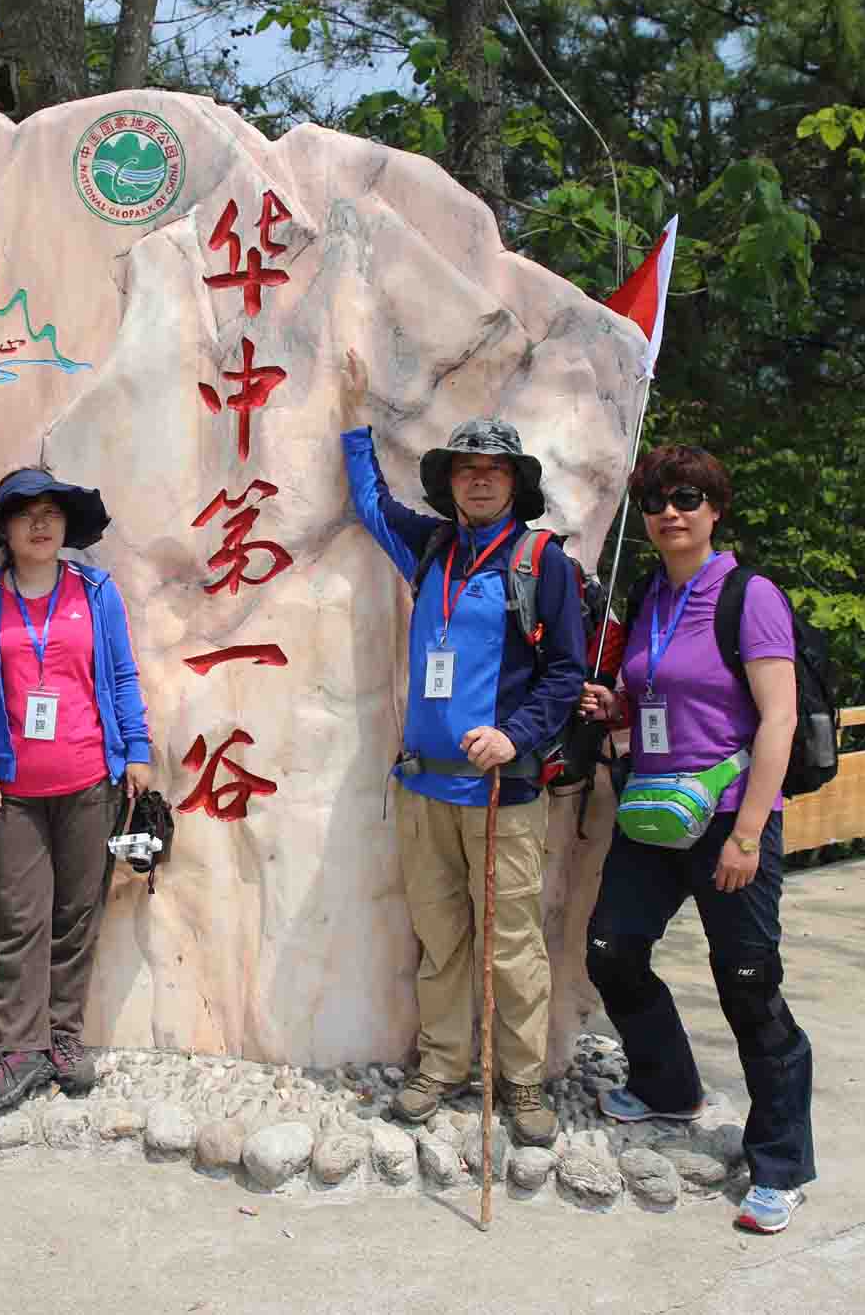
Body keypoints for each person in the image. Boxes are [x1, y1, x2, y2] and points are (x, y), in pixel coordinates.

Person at [338, 351, 584, 1146]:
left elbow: (567, 671)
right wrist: (351, 418)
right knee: (441, 941)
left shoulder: (542, 562)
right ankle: (442, 1065)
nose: (480, 480)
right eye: (467, 469)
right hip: (425, 790)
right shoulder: (433, 549)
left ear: (516, 484)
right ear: (450, 482)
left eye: (495, 469)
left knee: (510, 945)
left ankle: (521, 1081)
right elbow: (371, 502)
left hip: (500, 795)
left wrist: (514, 734)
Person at [576, 444, 814, 1234]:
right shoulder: (649, 593)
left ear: (715, 509)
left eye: (686, 497)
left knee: (746, 979)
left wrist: (748, 831)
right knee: (612, 948)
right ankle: (668, 1082)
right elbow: (655, 697)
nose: (669, 511)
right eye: (655, 500)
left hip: (726, 820)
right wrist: (613, 706)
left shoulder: (749, 595)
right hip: (652, 813)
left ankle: (779, 1163)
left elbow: (776, 717)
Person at [0, 467, 153, 1116]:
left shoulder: (96, 591)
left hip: (90, 780)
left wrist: (138, 751)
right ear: (5, 529)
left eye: (50, 512)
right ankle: (20, 1048)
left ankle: (64, 1038)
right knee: (18, 922)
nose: (39, 524)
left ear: (66, 525)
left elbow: (121, 674)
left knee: (76, 916)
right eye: (24, 513)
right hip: (12, 791)